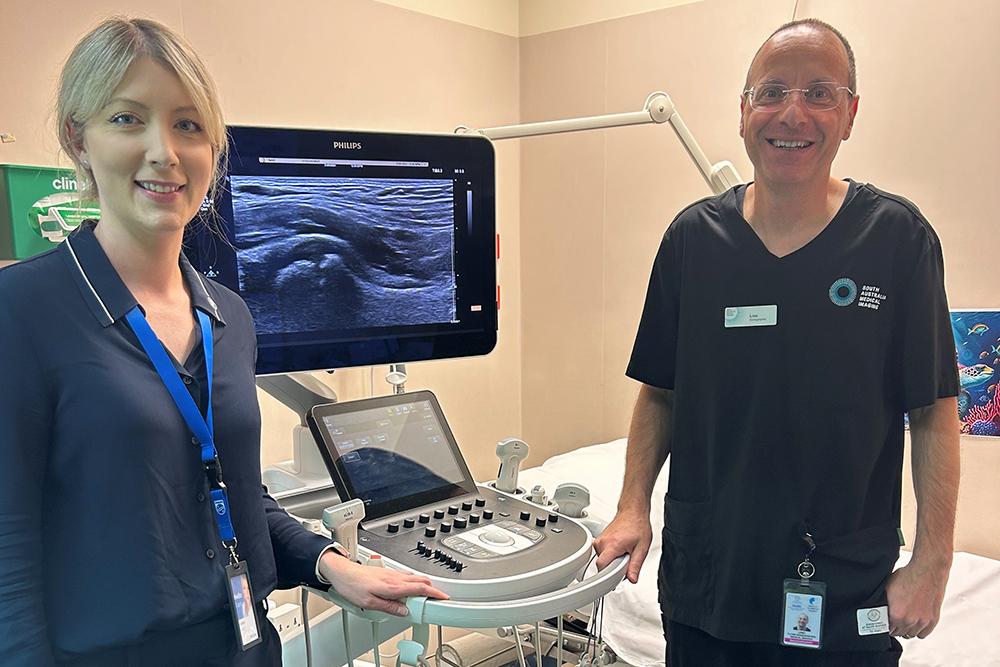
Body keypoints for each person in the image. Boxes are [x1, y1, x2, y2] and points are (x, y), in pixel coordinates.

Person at [0, 17, 446, 666]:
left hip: (242, 641)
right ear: (78, 138)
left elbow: (232, 491)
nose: (165, 152)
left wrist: (327, 563)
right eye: (128, 119)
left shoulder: (228, 317)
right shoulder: (24, 310)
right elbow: (8, 548)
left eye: (188, 124)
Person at [593, 18, 960, 667]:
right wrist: (632, 506)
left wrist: (931, 562)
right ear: (743, 112)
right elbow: (660, 391)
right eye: (772, 92)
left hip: (845, 588)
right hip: (708, 585)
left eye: (820, 93)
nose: (793, 112)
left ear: (850, 114)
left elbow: (933, 412)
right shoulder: (692, 241)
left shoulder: (897, 240)